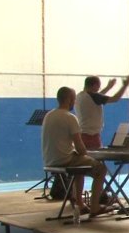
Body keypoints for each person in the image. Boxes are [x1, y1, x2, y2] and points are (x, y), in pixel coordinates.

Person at [41, 86, 109, 218]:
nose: (75, 102)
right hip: (65, 160)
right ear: (69, 99)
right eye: (74, 99)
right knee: (101, 169)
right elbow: (80, 148)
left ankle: (80, 203)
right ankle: (95, 207)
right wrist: (91, 155)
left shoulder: (48, 115)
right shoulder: (70, 117)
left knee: (80, 169)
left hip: (50, 160)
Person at [75, 75, 129, 150]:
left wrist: (109, 87)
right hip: (91, 136)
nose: (98, 89)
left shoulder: (79, 96)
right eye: (99, 87)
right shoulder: (93, 96)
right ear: (95, 85)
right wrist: (125, 86)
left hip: (82, 135)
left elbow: (98, 96)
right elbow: (115, 99)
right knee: (95, 157)